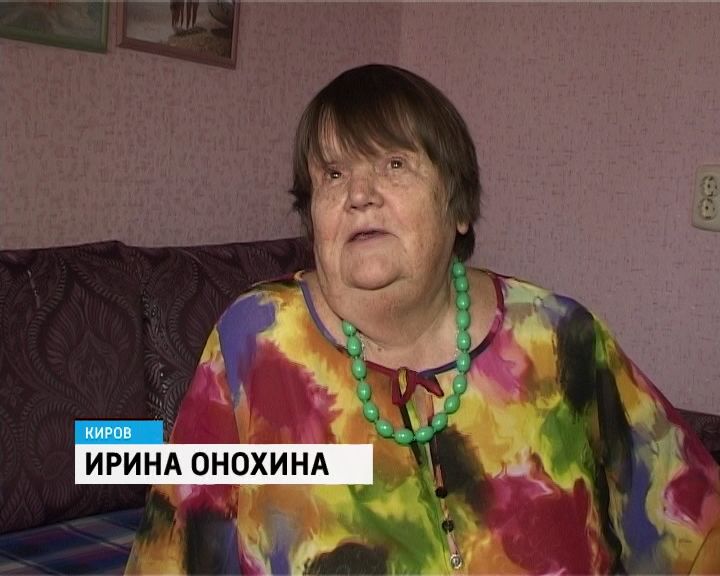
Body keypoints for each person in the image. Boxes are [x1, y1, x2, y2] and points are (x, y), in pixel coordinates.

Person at [126, 64, 720, 574]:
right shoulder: (255, 339)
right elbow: (171, 552)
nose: (359, 193)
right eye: (332, 174)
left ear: (459, 206)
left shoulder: (559, 337)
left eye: (393, 164)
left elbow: (696, 526)